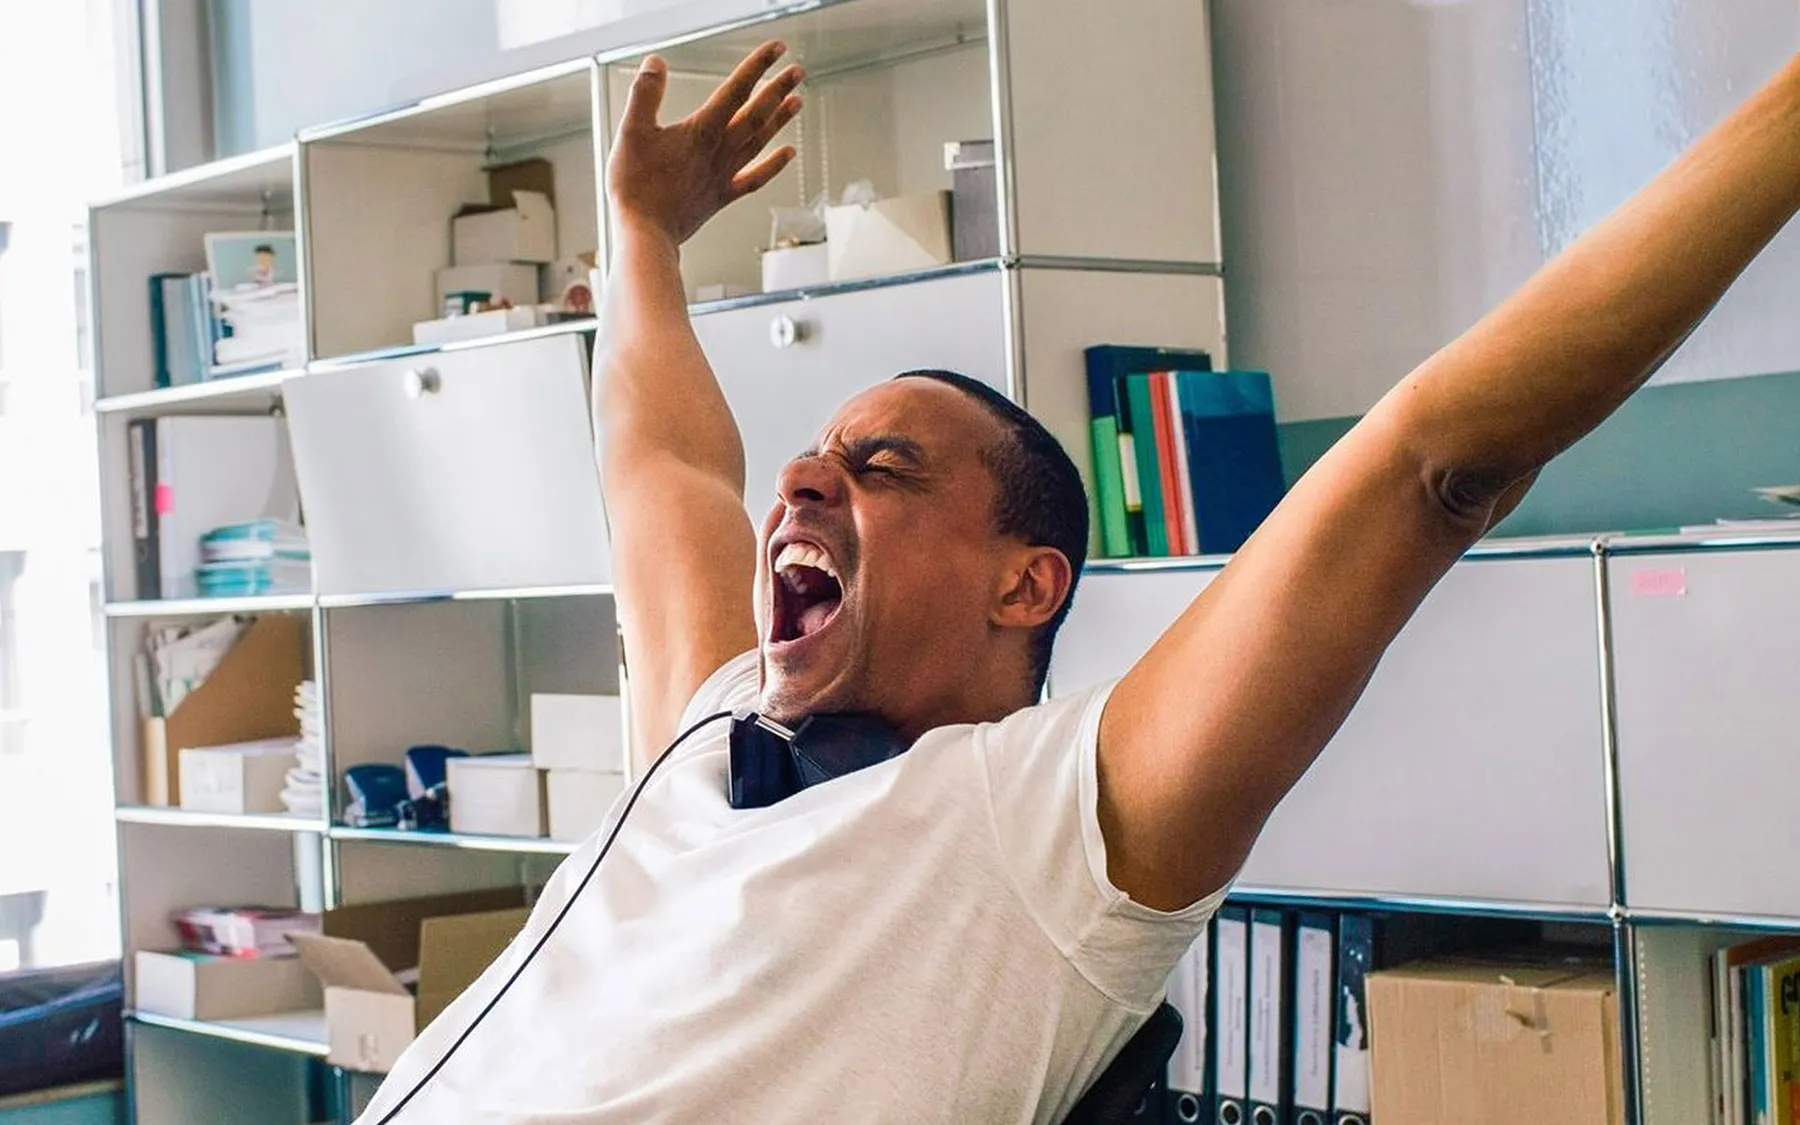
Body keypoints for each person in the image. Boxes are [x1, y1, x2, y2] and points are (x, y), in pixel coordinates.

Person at [359, 38, 1800, 1124]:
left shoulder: (1052, 826)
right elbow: (661, 467)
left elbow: (1431, 461)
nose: (802, 483)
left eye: (885, 467)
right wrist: (643, 235)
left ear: (1025, 584)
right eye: (811, 459)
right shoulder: (711, 718)